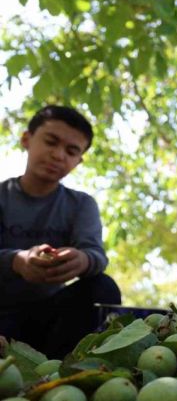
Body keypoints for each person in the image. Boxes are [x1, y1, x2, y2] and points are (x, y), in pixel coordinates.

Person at [0, 105, 121, 359]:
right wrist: (17, 261)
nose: (58, 155)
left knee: (102, 287)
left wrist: (82, 260)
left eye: (71, 151)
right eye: (51, 142)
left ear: (79, 161)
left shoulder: (81, 204)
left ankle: (60, 372)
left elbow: (96, 255)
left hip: (50, 321)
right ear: (26, 139)